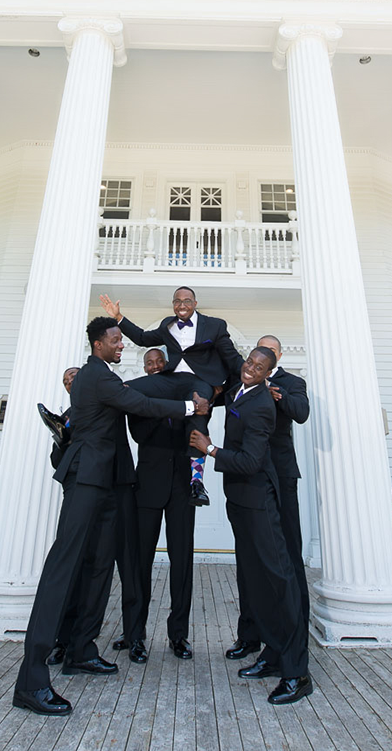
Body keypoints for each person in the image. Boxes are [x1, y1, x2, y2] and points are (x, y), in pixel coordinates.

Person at [13, 317, 209, 717]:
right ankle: (31, 681)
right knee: (63, 568)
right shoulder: (96, 377)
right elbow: (142, 404)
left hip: (108, 486)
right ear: (99, 343)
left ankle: (82, 650)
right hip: (86, 479)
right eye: (118, 340)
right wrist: (191, 404)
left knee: (101, 564)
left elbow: (140, 399)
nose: (123, 346)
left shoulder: (106, 376)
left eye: (122, 340)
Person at [190, 347, 312, 706]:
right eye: (249, 362)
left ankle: (296, 672)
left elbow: (252, 461)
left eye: (259, 367)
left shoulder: (261, 405)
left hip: (260, 501)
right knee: (255, 580)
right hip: (240, 502)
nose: (250, 369)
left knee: (279, 581)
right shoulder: (238, 392)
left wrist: (210, 450)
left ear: (267, 373)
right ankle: (272, 656)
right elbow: (221, 360)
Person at [100, 287, 242, 506]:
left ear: (195, 303)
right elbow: (142, 338)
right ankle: (75, 421)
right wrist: (118, 317)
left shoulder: (215, 326)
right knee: (126, 388)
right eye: (177, 301)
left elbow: (232, 359)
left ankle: (196, 482)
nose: (182, 305)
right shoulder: (168, 324)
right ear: (173, 304)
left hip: (199, 381)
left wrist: (236, 384)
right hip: (171, 380)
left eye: (186, 301)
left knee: (198, 416)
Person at [43, 367, 144, 667]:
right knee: (76, 567)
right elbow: (56, 460)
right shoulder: (71, 415)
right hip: (85, 493)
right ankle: (65, 642)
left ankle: (134, 636)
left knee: (124, 564)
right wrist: (63, 438)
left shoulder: (109, 395)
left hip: (119, 488)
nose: (70, 383)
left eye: (74, 377)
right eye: (65, 382)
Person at [225, 334, 310, 665]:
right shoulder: (244, 385)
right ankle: (252, 635)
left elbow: (300, 413)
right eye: (254, 357)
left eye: (268, 356)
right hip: (248, 479)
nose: (256, 364)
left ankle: (293, 636)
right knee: (250, 562)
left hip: (278, 477)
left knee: (284, 559)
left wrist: (280, 395)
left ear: (277, 358)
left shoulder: (291, 383)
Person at [128, 347, 196, 660]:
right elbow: (141, 434)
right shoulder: (137, 400)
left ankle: (178, 636)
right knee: (139, 562)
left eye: (159, 362)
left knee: (181, 563)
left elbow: (196, 430)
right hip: (148, 489)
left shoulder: (185, 393)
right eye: (149, 363)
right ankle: (134, 634)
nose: (154, 366)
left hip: (182, 489)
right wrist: (170, 406)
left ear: (166, 367)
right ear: (145, 369)